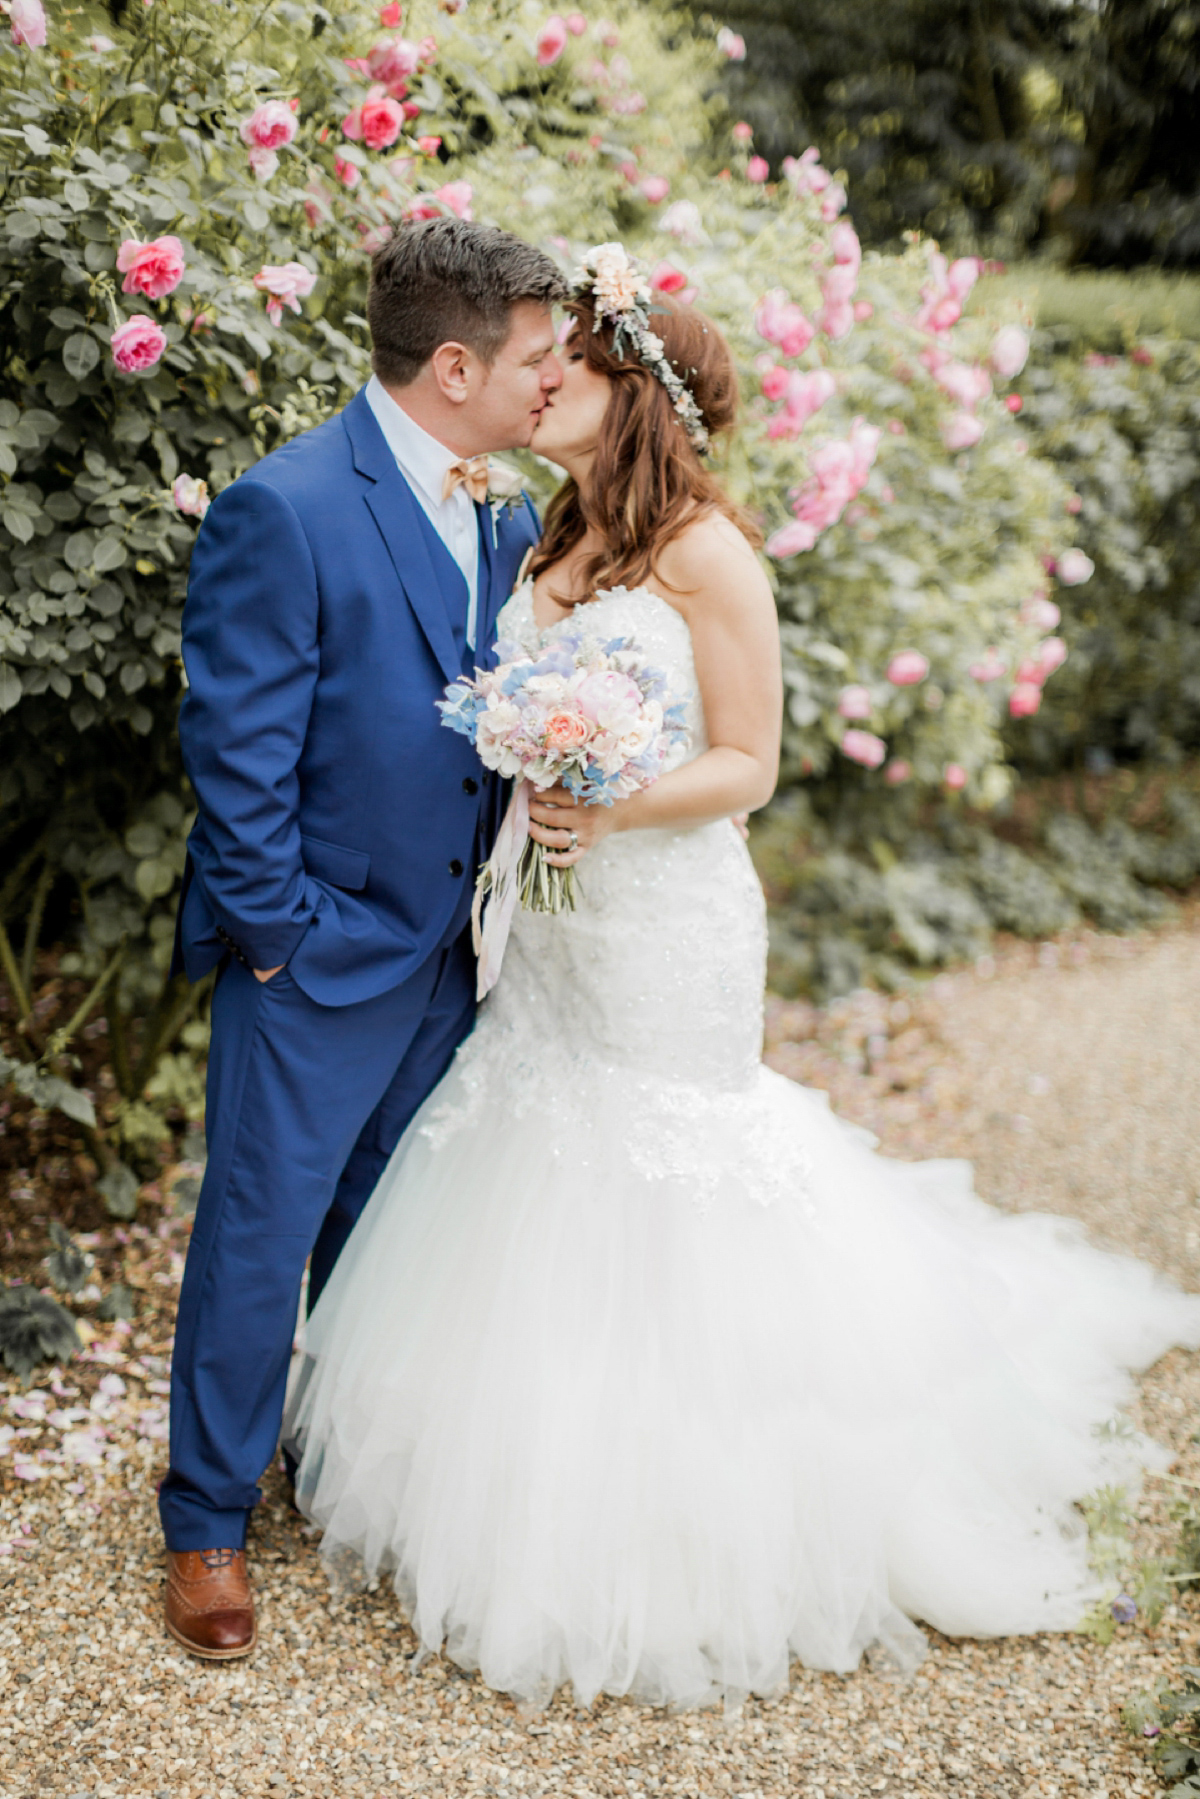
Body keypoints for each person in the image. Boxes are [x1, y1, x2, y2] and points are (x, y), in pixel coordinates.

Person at [284, 245, 1200, 1710]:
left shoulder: (709, 553)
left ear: (634, 389)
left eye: (571, 363)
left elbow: (749, 766)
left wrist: (606, 798)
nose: (545, 379)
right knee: (532, 1150)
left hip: (666, 926)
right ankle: (522, 1465)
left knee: (671, 1172)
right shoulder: (546, 532)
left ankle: (679, 1524)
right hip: (556, 934)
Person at [159, 219, 568, 1660]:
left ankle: (333, 1463)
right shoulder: (285, 509)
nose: (554, 380)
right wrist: (283, 939)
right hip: (320, 955)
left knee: (389, 1235)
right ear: (453, 364)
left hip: (461, 954)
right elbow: (239, 759)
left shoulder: (515, 516)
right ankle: (206, 1521)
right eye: (534, 357)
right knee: (260, 1237)